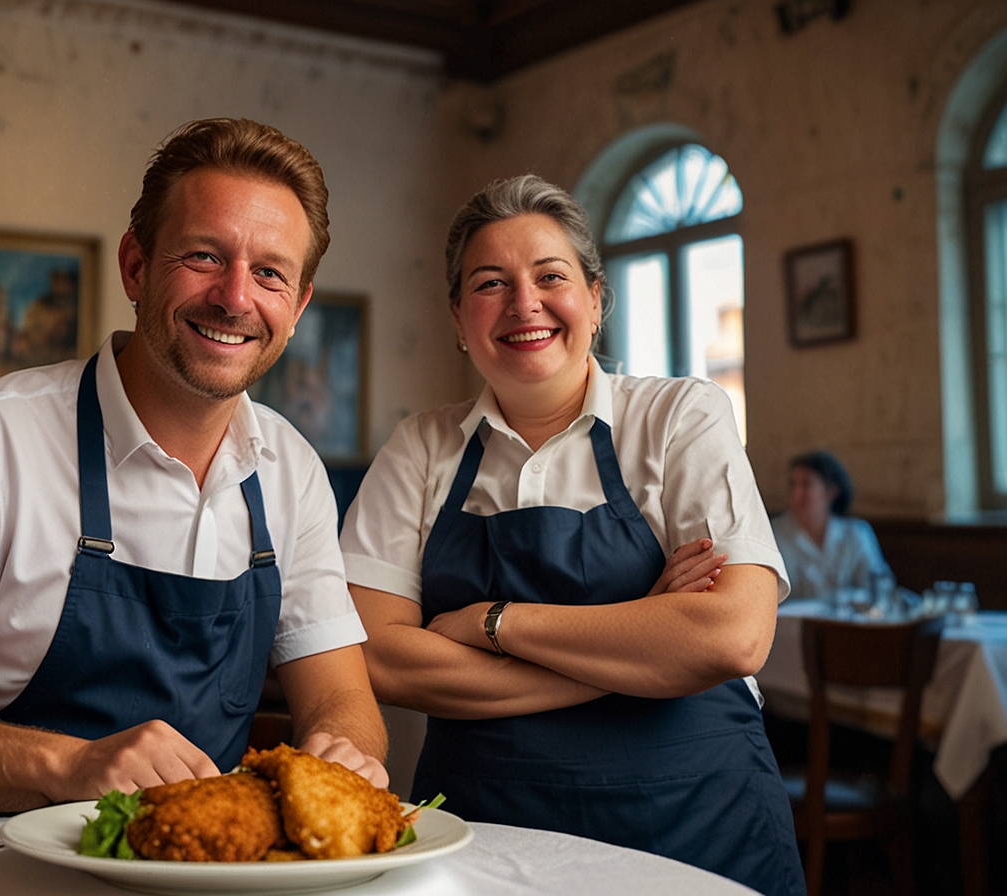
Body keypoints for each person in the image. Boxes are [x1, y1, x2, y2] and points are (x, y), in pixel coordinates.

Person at [0, 118, 388, 827]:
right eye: (203, 256)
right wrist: (68, 765)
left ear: (296, 308)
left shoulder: (289, 469)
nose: (235, 297)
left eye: (269, 273)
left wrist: (343, 751)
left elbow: (343, 699)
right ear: (136, 266)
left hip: (189, 869)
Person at [339, 174, 804, 895]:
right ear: (460, 319)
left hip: (696, 821)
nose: (524, 303)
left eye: (550, 276)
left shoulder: (681, 417)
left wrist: (490, 623)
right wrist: (640, 641)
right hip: (483, 831)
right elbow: (377, 659)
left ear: (595, 299)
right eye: (490, 284)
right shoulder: (420, 448)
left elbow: (731, 638)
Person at [771, 449, 892, 600]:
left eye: (806, 485)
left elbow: (878, 588)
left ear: (831, 492)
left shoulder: (856, 533)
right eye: (793, 485)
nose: (797, 494)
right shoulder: (774, 533)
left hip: (850, 621)